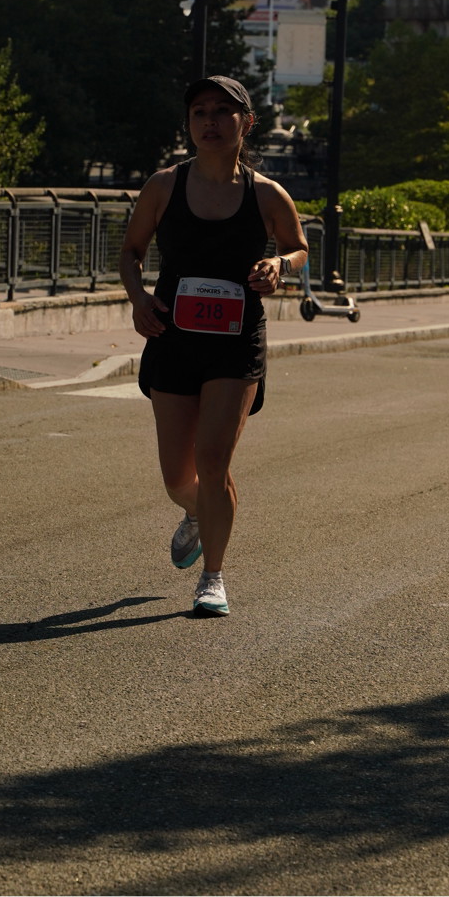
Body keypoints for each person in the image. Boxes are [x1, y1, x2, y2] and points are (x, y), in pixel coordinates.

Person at [119, 76, 309, 617]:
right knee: (178, 477)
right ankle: (198, 511)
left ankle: (213, 578)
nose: (210, 121)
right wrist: (138, 299)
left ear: (246, 123)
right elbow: (131, 252)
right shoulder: (163, 186)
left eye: (223, 111)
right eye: (200, 111)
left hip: (235, 343)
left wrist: (279, 264)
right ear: (189, 123)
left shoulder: (267, 194)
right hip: (172, 337)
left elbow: (298, 247)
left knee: (214, 458)